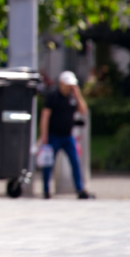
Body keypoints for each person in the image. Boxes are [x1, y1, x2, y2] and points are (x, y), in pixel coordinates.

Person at [40, 70, 94, 199]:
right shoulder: (53, 97)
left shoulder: (72, 98)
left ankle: (80, 190)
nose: (69, 87)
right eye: (67, 84)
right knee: (48, 164)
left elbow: (83, 110)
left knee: (75, 162)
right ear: (61, 83)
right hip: (53, 136)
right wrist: (44, 135)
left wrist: (78, 95)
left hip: (68, 137)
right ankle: (46, 190)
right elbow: (45, 116)